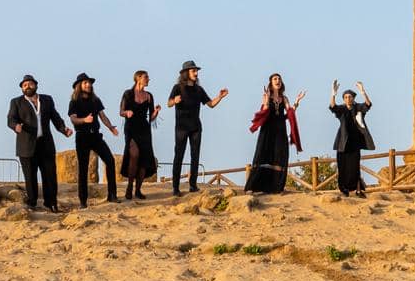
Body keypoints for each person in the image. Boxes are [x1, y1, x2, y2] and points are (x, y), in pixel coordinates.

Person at [165, 60, 229, 195]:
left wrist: (220, 97)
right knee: (179, 156)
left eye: (196, 71)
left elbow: (210, 104)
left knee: (195, 156)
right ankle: (175, 188)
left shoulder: (198, 90)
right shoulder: (177, 88)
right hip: (181, 128)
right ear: (186, 73)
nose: (196, 73)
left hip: (196, 128)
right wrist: (174, 101)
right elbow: (169, 103)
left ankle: (193, 185)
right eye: (193, 70)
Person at [7, 74, 67, 212]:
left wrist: (64, 129)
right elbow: (11, 119)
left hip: (45, 144)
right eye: (24, 85)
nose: (27, 86)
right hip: (26, 145)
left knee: (50, 175)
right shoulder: (16, 102)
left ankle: (51, 203)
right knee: (30, 176)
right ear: (22, 88)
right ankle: (32, 202)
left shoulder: (47, 100)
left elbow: (55, 118)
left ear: (36, 85)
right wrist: (16, 126)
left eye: (30, 83)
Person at [244, 74, 303, 194]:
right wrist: (265, 102)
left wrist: (296, 102)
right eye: (275, 79)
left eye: (279, 79)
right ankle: (253, 186)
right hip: (268, 130)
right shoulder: (267, 96)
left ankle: (275, 187)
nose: (278, 81)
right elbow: (264, 112)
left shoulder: (284, 98)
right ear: (271, 83)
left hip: (280, 130)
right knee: (262, 154)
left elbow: (289, 114)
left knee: (280, 155)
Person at [68, 73, 120, 207]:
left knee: (110, 160)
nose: (89, 85)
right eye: (85, 83)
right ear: (79, 86)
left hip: (96, 136)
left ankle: (112, 195)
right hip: (82, 136)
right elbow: (73, 119)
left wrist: (110, 127)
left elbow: (103, 116)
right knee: (83, 169)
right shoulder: (74, 101)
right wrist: (84, 120)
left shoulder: (95, 100)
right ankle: (83, 201)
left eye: (89, 83)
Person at [118, 71, 159, 201]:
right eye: (146, 77)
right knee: (134, 155)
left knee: (144, 160)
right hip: (131, 128)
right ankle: (129, 186)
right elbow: (121, 112)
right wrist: (127, 112)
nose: (149, 79)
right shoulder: (128, 94)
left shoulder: (149, 96)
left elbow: (151, 117)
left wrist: (156, 112)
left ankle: (138, 190)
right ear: (138, 78)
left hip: (144, 129)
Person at [328, 80, 374, 197]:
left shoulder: (358, 108)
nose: (348, 99)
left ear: (353, 98)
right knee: (342, 167)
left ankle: (358, 190)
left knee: (355, 168)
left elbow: (368, 105)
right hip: (342, 143)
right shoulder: (342, 110)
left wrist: (363, 92)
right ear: (343, 99)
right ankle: (344, 190)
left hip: (355, 143)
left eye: (350, 97)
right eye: (346, 97)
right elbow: (333, 107)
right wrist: (333, 94)